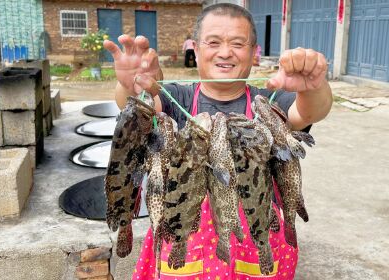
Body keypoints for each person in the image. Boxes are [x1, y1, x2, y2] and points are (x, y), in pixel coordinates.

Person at [104, 3, 332, 279]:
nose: (225, 52)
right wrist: (131, 86)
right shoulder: (179, 98)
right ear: (196, 50)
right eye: (213, 42)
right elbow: (138, 109)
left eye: (238, 43)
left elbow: (309, 111)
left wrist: (314, 87)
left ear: (254, 52)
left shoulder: (268, 101)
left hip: (255, 231)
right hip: (185, 234)